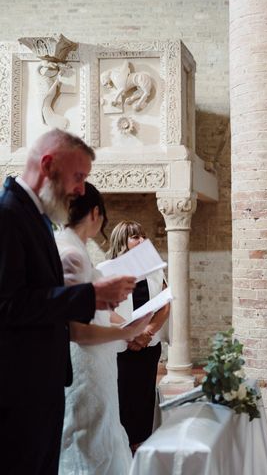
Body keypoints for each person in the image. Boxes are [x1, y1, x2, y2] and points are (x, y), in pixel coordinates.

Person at [0, 129, 136, 474]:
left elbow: (41, 296)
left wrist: (95, 300)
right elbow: (8, 305)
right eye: (79, 177)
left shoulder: (38, 217)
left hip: (42, 382)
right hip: (20, 388)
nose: (80, 189)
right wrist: (90, 295)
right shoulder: (8, 215)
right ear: (48, 165)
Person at [56, 183, 152, 474]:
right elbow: (78, 330)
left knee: (102, 432)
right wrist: (126, 332)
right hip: (87, 362)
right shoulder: (71, 254)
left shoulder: (72, 247)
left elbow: (90, 309)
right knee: (90, 439)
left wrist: (122, 319)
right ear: (96, 213)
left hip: (98, 360)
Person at [107, 220, 170, 452]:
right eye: (135, 237)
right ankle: (123, 448)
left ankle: (141, 446)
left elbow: (165, 303)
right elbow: (105, 309)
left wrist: (148, 332)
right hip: (120, 346)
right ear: (121, 241)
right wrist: (131, 333)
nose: (142, 240)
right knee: (122, 397)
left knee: (144, 397)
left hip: (149, 345)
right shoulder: (107, 270)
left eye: (143, 236)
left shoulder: (154, 269)